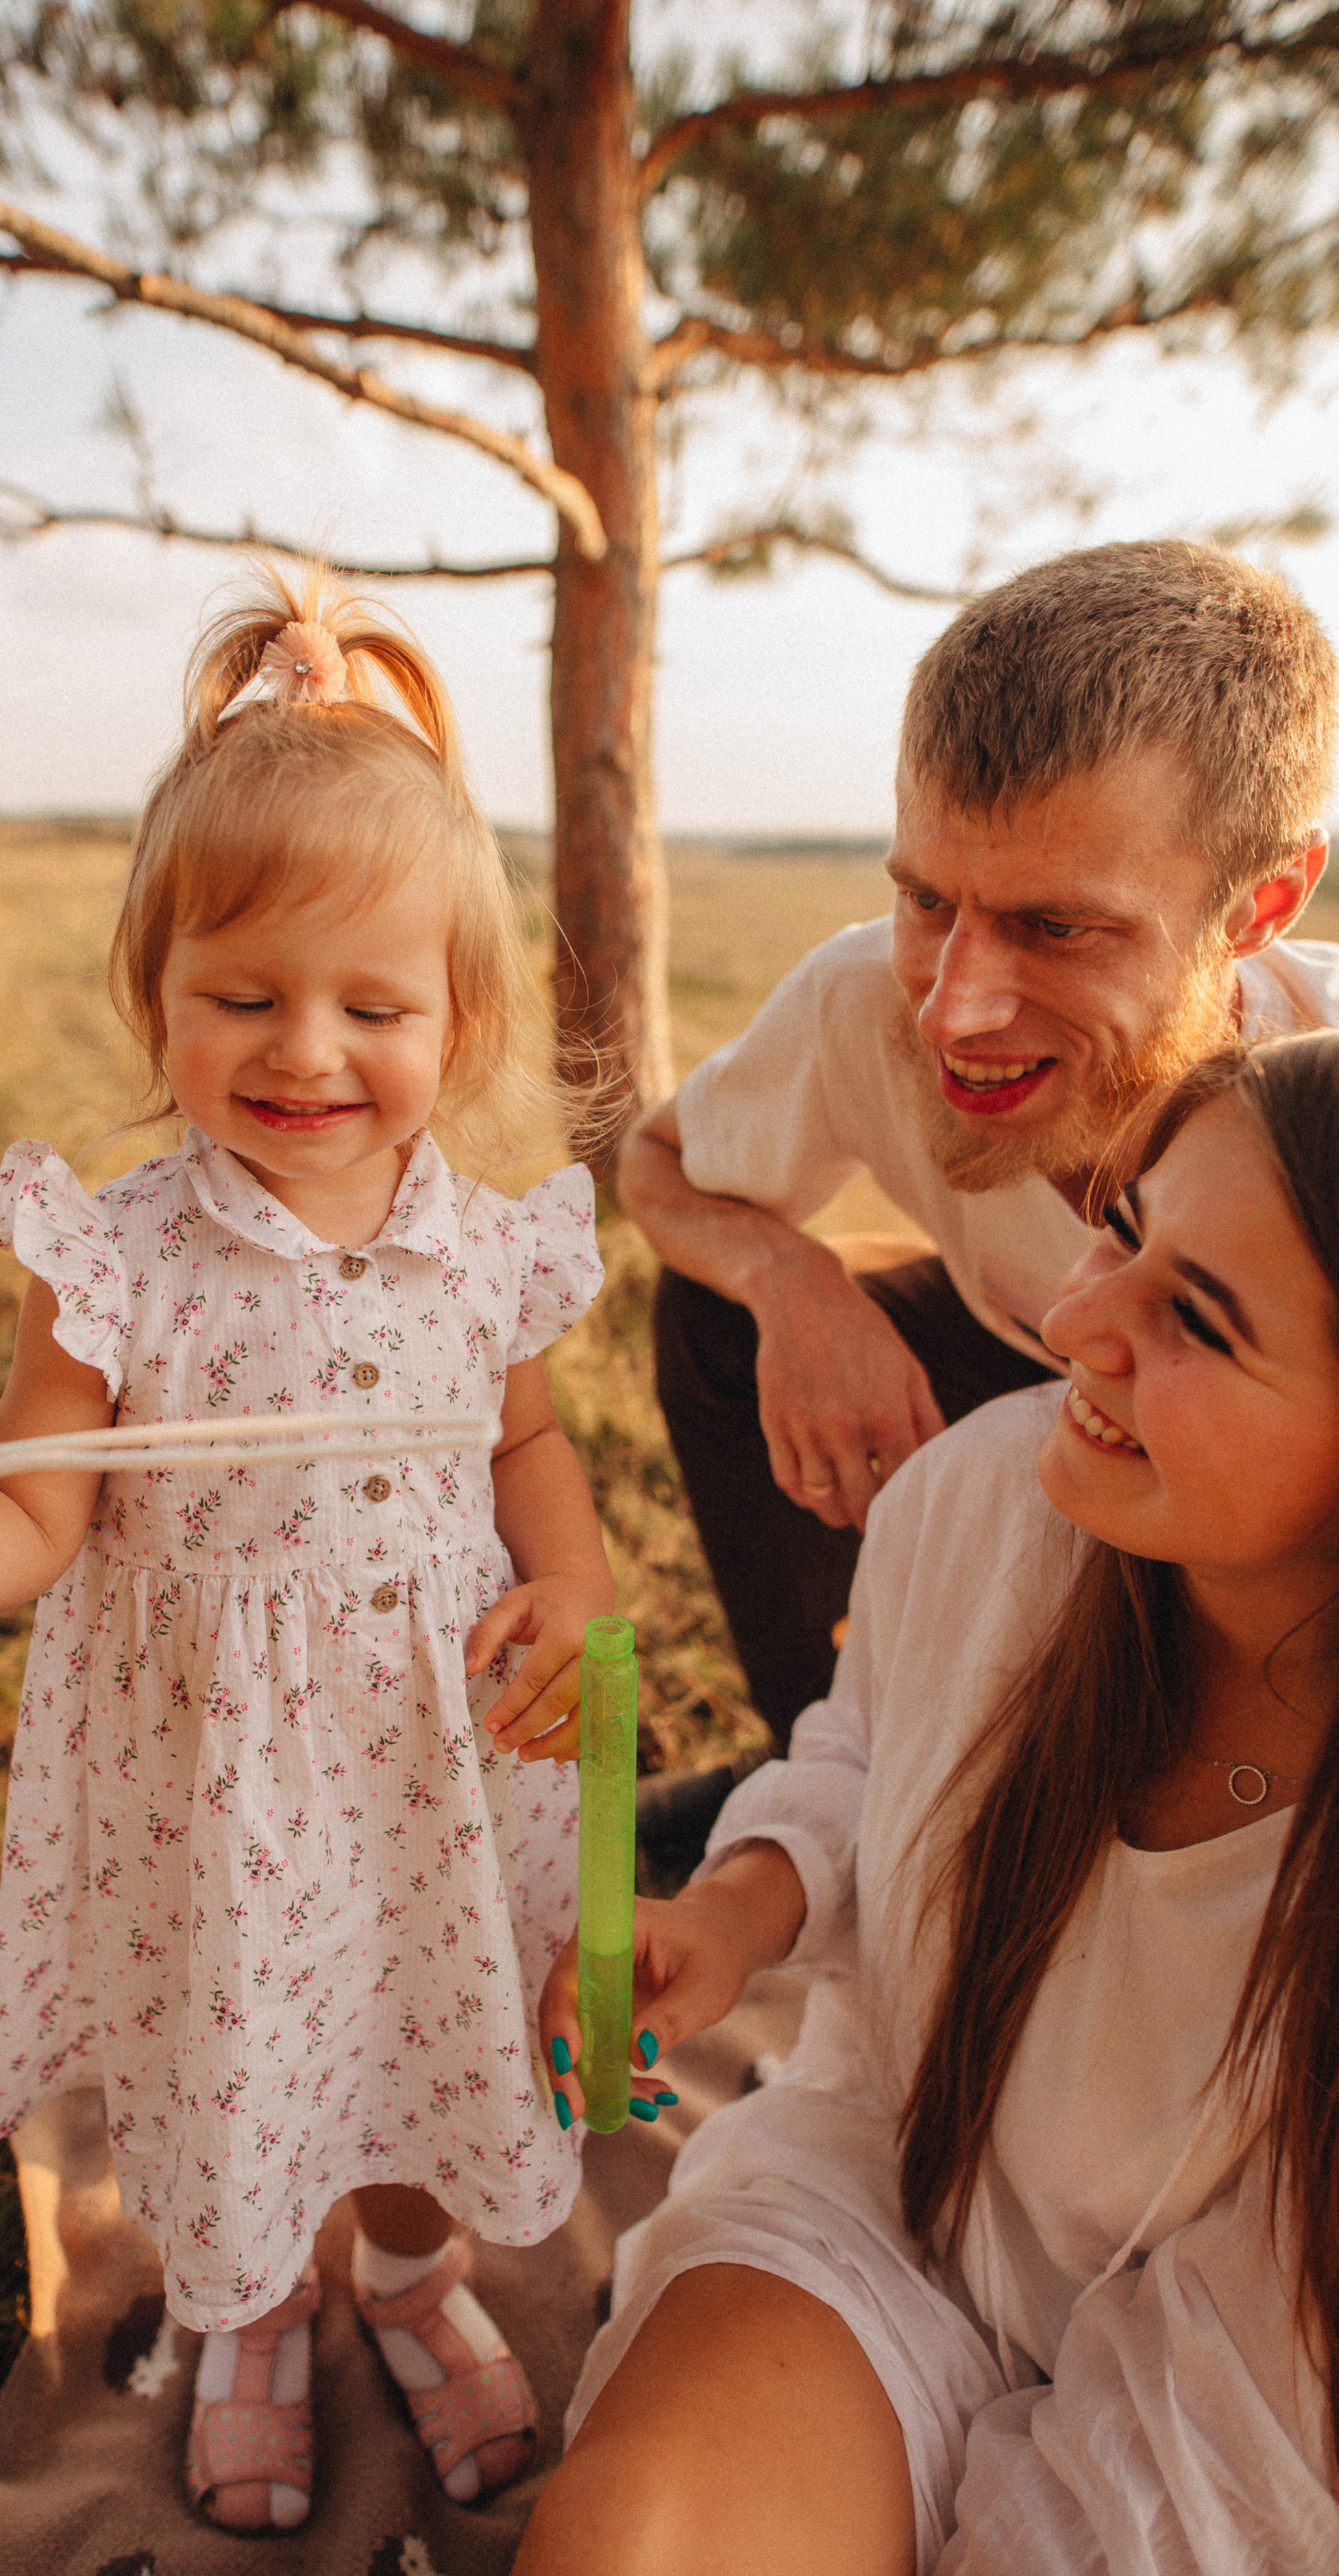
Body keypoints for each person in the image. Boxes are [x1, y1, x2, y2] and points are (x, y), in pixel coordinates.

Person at [0, 562, 617, 2536]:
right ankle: (254, 2310)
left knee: (423, 2042)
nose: (306, 1050)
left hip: (433, 1758)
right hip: (220, 1782)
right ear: (158, 995)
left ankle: (405, 2273)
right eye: (243, 996)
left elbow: (525, 1445)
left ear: (455, 1026)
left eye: (372, 1004)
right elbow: (34, 1511)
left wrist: (591, 1596)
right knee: (249, 2064)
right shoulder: (118, 1258)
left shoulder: (493, 1246)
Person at [527, 1031, 1339, 2575]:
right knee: (628, 2548)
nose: (1077, 1320)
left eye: (1199, 1322)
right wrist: (732, 1905)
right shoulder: (986, 1496)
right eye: (1122, 1231)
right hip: (892, 2181)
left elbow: (1243, 2432)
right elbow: (857, 1750)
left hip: (1249, 2397)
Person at [622, 542, 1339, 1756]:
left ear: (1261, 906)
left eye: (1055, 927)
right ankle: (829, 1769)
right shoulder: (864, 1004)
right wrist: (790, 1284)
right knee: (715, 1321)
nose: (953, 1009)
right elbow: (660, 1163)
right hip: (1028, 1378)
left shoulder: (1322, 1097)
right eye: (928, 901)